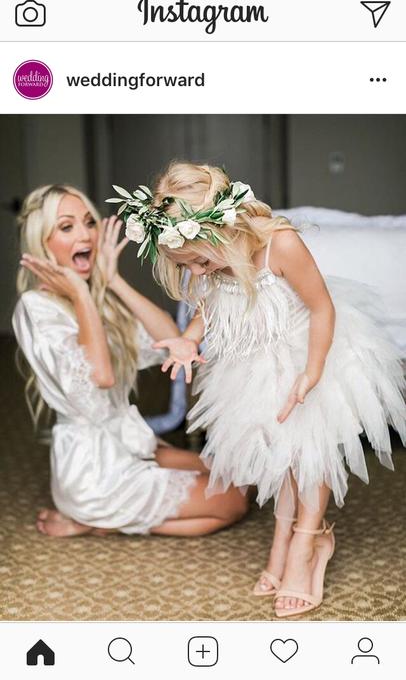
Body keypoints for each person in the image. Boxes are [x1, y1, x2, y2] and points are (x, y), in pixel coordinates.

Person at [113, 161, 406, 617]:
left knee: (309, 451)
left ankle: (306, 543)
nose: (197, 271)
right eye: (186, 265)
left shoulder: (280, 244)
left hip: (308, 353)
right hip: (251, 364)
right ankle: (284, 538)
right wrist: (188, 339)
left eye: (200, 260)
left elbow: (322, 308)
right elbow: (208, 306)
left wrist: (312, 371)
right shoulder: (205, 263)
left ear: (225, 227)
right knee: (278, 455)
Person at [12, 184, 248, 539]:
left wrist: (113, 282)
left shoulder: (100, 298)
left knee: (240, 477)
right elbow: (102, 377)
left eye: (89, 222)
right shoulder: (36, 308)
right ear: (42, 243)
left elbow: (172, 339)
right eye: (66, 227)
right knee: (234, 500)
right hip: (92, 473)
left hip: (127, 444)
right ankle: (99, 519)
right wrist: (81, 295)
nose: (85, 235)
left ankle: (102, 520)